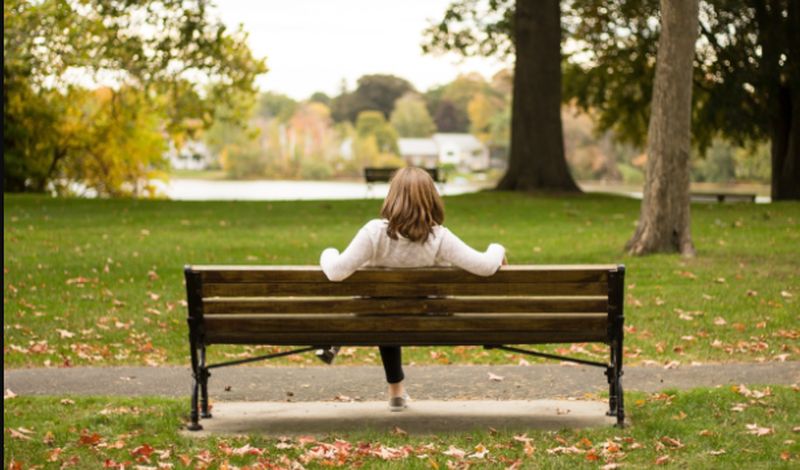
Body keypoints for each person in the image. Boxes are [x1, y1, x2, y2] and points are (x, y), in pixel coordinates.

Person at [318, 167, 506, 411]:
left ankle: (385, 382)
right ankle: (396, 392)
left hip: (376, 318)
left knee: (383, 307)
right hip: (427, 318)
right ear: (431, 199)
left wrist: (329, 252)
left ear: (392, 197)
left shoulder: (374, 233)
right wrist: (498, 248)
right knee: (390, 307)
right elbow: (486, 266)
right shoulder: (439, 237)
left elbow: (335, 271)